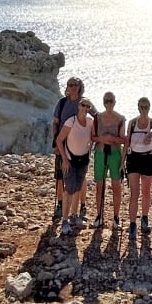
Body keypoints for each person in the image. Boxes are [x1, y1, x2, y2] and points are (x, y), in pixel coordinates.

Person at [57, 97, 95, 236]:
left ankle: (74, 215)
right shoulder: (71, 121)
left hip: (83, 160)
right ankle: (64, 221)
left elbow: (93, 136)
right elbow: (59, 140)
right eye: (83, 105)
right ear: (79, 106)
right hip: (70, 160)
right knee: (69, 190)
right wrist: (64, 159)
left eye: (88, 106)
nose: (85, 108)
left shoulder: (90, 122)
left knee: (78, 188)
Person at [92, 92, 126, 229]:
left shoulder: (121, 119)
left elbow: (124, 140)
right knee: (99, 186)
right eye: (106, 101)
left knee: (116, 186)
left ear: (115, 102)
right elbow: (92, 137)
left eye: (111, 100)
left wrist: (111, 139)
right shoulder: (97, 118)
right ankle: (99, 216)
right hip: (100, 153)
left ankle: (116, 217)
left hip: (115, 154)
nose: (109, 103)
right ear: (103, 102)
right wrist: (102, 139)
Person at [124, 97, 152, 240]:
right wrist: (122, 162)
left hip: (148, 158)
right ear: (138, 107)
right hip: (133, 159)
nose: (144, 109)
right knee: (134, 193)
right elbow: (126, 143)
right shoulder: (132, 123)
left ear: (149, 108)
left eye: (146, 107)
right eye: (141, 107)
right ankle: (132, 224)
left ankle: (144, 218)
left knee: (146, 191)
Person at [52, 77, 84, 219]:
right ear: (67, 87)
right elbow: (55, 123)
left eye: (75, 84)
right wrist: (55, 142)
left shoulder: (84, 103)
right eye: (70, 85)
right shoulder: (62, 103)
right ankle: (60, 204)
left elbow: (94, 119)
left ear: (79, 86)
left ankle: (80, 207)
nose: (73, 87)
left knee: (79, 176)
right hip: (62, 143)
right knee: (60, 176)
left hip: (78, 145)